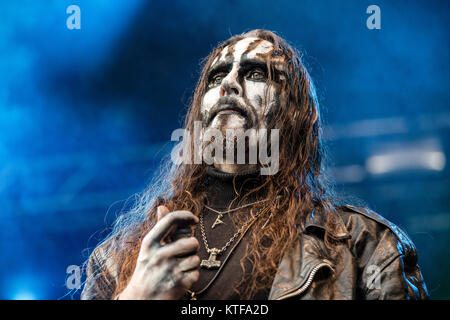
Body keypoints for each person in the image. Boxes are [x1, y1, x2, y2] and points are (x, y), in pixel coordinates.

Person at [81, 29, 428, 300]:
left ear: (295, 113)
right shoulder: (118, 257)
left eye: (256, 73)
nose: (230, 83)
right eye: (216, 78)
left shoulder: (363, 245)